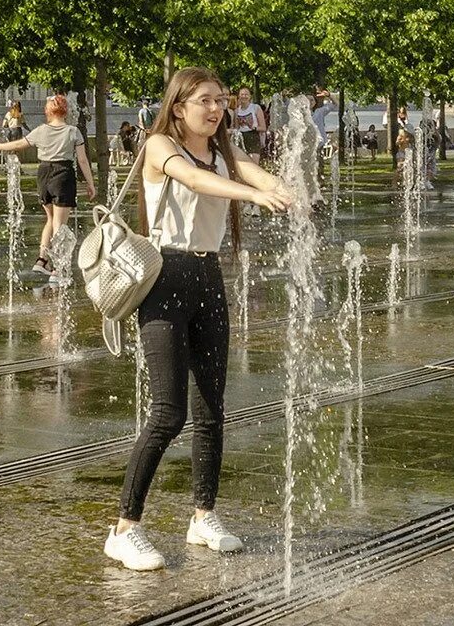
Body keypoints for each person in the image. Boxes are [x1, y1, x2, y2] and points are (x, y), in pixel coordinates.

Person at [102, 67, 291, 572]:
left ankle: (203, 515)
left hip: (208, 279)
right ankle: (124, 529)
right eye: (205, 100)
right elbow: (192, 178)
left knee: (211, 409)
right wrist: (251, 195)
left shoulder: (224, 151)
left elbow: (252, 171)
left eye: (221, 100)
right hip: (164, 280)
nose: (215, 108)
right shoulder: (160, 146)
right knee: (168, 413)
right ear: (179, 106)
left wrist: (282, 187)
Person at [0, 95, 96, 280]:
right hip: (63, 174)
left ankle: (41, 260)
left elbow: (20, 144)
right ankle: (58, 269)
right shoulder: (73, 131)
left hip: (44, 173)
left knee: (50, 219)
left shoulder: (41, 130)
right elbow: (83, 160)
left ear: (48, 112)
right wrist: (90, 183)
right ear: (66, 111)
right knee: (60, 225)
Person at [233, 87, 266, 158]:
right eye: (242, 94)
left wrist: (253, 127)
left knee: (254, 162)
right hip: (241, 137)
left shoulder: (256, 108)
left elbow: (263, 128)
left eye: (246, 94)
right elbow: (236, 128)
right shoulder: (236, 111)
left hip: (253, 136)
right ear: (239, 96)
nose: (244, 96)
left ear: (250, 96)